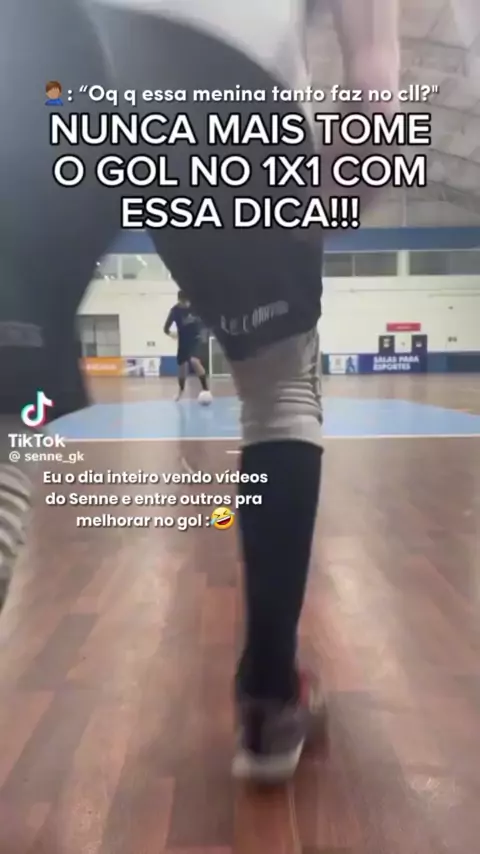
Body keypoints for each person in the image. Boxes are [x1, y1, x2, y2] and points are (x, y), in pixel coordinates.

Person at [0, 0, 399, 782]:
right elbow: (374, 78)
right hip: (220, 63)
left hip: (41, 46)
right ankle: (270, 698)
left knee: (7, 414)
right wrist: (354, 146)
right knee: (281, 387)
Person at [163, 290, 212, 402]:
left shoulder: (195, 308)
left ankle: (206, 388)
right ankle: (180, 391)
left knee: (194, 361)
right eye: (183, 302)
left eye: (187, 302)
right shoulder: (175, 311)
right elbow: (165, 328)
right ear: (179, 300)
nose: (185, 304)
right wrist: (171, 334)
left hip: (195, 339)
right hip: (183, 342)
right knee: (182, 368)